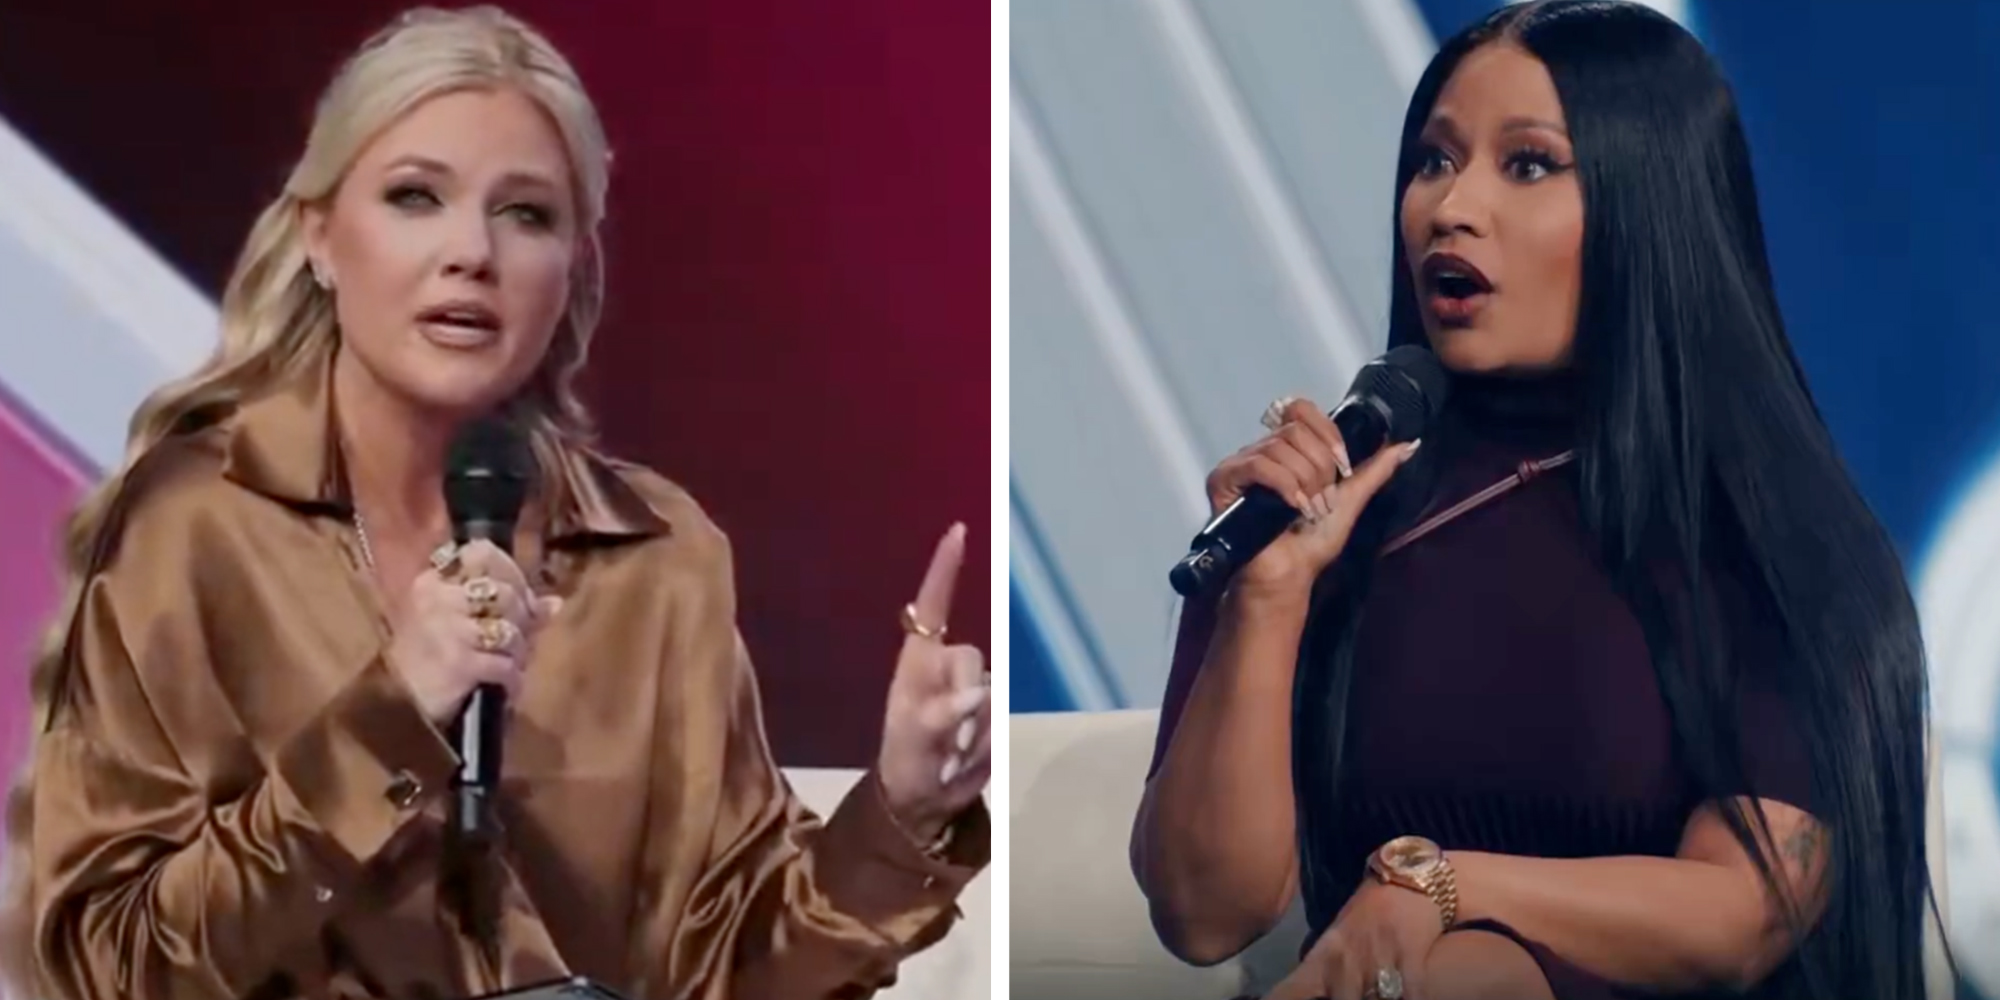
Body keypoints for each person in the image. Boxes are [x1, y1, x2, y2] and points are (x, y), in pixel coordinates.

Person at [0, 8, 990, 1000]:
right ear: (320, 239)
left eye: (526, 214)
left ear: (571, 270)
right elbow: (107, 967)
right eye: (415, 196)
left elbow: (736, 975)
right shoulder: (194, 527)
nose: (471, 251)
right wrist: (385, 723)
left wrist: (900, 808)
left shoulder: (655, 555)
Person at [1130, 3, 1943, 999]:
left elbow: (1738, 911)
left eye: (1524, 165)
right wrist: (1264, 601)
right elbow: (1203, 914)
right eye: (1431, 161)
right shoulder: (1324, 518)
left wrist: (1437, 888)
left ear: (1648, 202)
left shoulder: (1767, 536)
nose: (1447, 207)